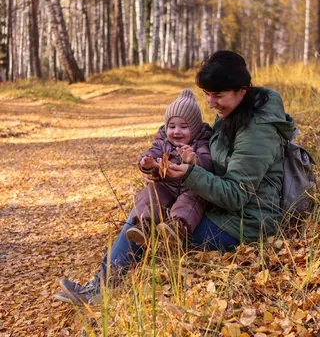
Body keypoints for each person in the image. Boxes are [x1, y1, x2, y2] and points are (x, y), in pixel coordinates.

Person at [55, 50, 295, 306]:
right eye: (207, 95)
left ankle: (103, 292)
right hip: (220, 207)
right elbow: (207, 154)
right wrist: (164, 171)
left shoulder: (257, 131)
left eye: (217, 96)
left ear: (242, 91)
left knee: (156, 232)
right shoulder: (233, 111)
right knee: (145, 214)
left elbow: (236, 194)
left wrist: (190, 174)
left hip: (244, 221)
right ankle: (101, 286)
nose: (211, 104)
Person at [125, 88, 213, 247]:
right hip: (166, 185)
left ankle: (176, 227)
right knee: (150, 194)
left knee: (192, 200)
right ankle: (144, 225)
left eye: (183, 127)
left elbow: (207, 161)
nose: (176, 131)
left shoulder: (200, 142)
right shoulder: (162, 142)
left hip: (190, 187)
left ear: (193, 129)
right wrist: (146, 164)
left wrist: (194, 160)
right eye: (171, 126)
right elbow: (150, 153)